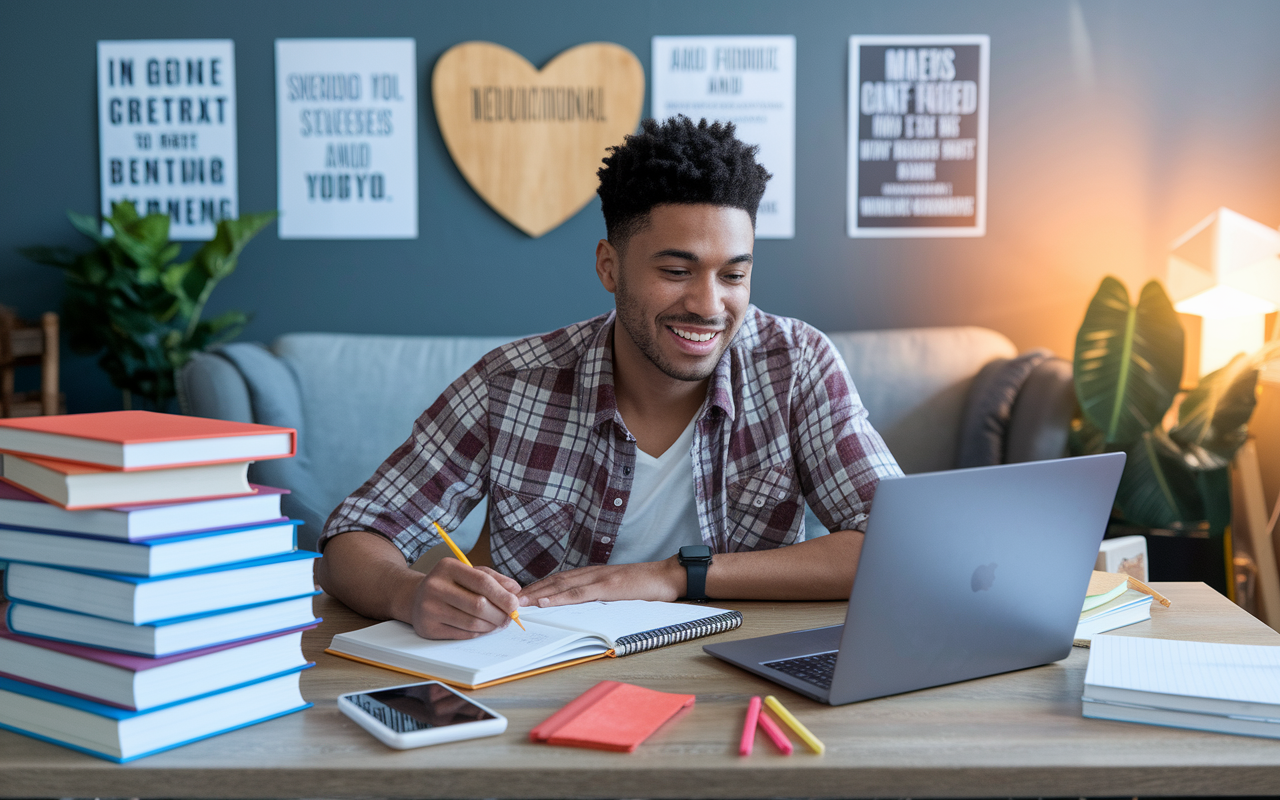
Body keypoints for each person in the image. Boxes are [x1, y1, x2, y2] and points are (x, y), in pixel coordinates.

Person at [316, 116, 902, 640]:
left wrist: (674, 576)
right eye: (676, 270)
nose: (708, 304)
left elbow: (897, 545)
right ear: (609, 266)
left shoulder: (795, 364)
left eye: (733, 275)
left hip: (736, 679)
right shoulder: (511, 384)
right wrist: (409, 593)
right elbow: (354, 536)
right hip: (540, 683)